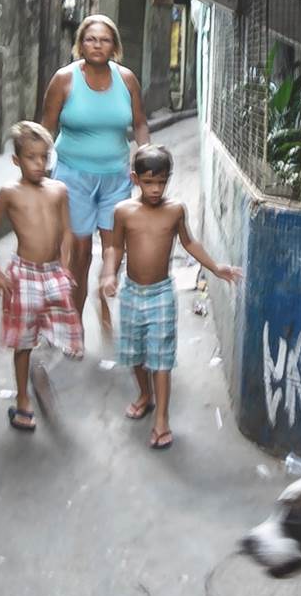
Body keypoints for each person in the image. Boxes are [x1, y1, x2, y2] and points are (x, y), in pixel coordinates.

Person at [99, 144, 242, 450]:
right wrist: (109, 273)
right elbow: (115, 247)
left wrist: (215, 267)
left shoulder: (175, 210)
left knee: (161, 359)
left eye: (161, 182)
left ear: (168, 178)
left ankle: (162, 418)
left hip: (161, 294)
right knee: (134, 353)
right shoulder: (123, 212)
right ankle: (145, 395)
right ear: (135, 178)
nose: (155, 189)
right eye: (149, 182)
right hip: (131, 293)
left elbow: (189, 243)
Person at [40, 14, 150, 341]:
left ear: (114, 46)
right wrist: (38, 175)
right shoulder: (64, 79)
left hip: (116, 177)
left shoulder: (127, 80)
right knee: (80, 251)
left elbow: (140, 123)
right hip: (72, 177)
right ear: (80, 44)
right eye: (90, 39)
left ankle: (103, 294)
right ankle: (74, 322)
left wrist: (147, 158)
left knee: (115, 246)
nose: (97, 45)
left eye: (104, 40)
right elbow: (45, 128)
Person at [0, 121, 83, 433]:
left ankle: (41, 369)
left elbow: (67, 231)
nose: (39, 164)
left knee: (69, 336)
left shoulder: (58, 191)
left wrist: (65, 265)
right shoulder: (9, 194)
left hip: (53, 273)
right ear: (16, 160)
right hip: (24, 274)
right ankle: (23, 399)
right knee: (23, 341)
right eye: (31, 157)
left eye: (44, 157)